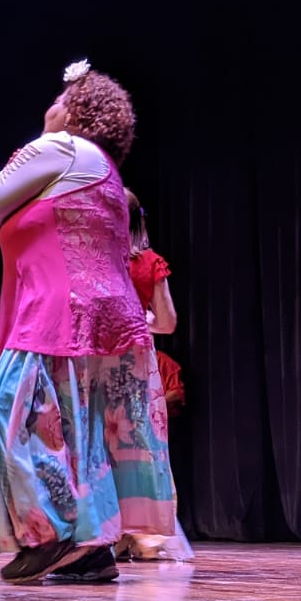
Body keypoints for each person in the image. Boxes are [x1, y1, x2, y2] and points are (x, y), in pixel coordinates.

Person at [0, 58, 177, 584]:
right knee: (78, 430)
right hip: (101, 312)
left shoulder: (60, 148)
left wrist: (43, 135)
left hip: (59, 308)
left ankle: (51, 533)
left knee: (11, 411)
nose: (52, 103)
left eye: (60, 98)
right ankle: (90, 548)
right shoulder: (107, 170)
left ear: (76, 110)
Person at [120, 188, 194, 563]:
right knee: (139, 446)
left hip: (95, 361)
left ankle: (105, 532)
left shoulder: (92, 262)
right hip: (135, 361)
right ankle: (145, 533)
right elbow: (166, 322)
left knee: (99, 445)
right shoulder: (149, 262)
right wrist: (141, 319)